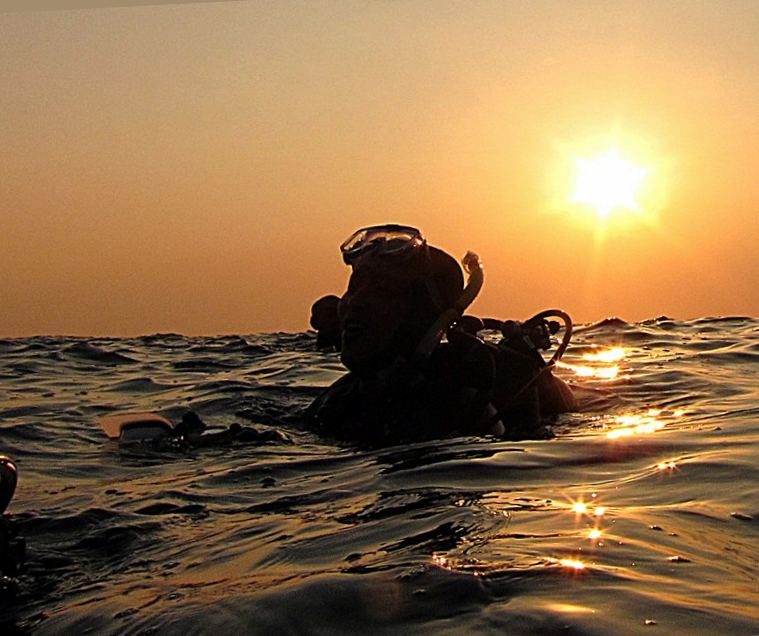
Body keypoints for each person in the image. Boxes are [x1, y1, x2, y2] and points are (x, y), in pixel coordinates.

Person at [306, 224, 577, 445]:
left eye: (381, 292)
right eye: (353, 288)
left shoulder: (459, 404)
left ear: (422, 315)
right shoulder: (339, 400)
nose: (355, 303)